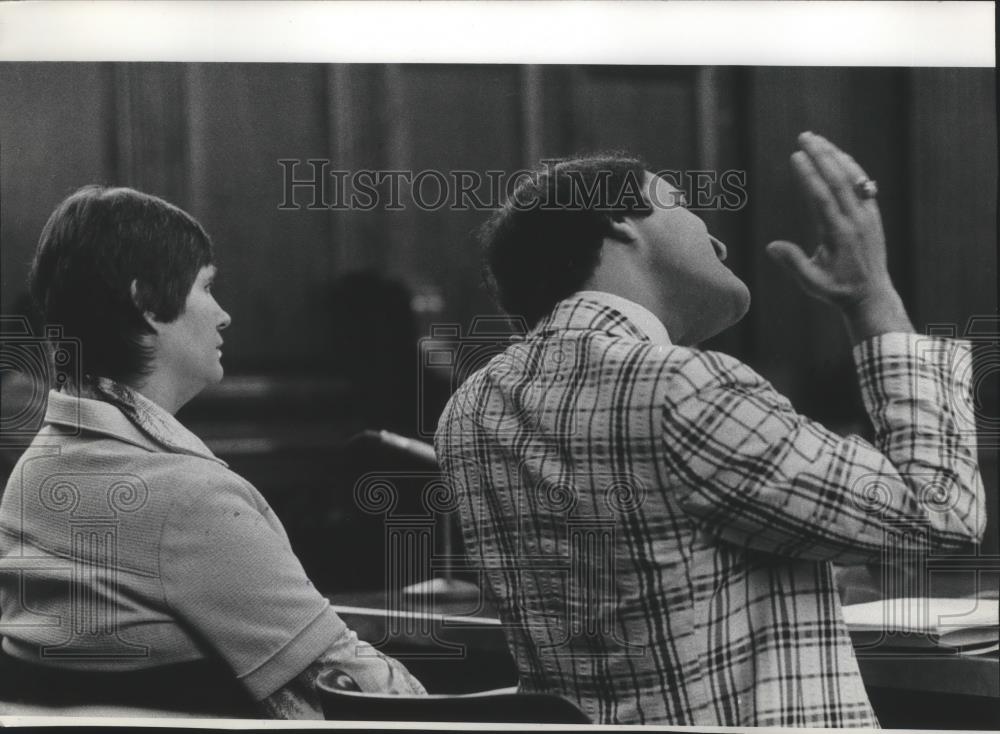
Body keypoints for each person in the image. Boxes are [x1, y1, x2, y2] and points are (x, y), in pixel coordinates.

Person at [434, 134, 985, 726]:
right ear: (620, 219)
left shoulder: (468, 409)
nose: (717, 239)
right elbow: (941, 511)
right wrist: (873, 295)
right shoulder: (681, 384)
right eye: (681, 203)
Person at [0, 186, 425, 718]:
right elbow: (366, 699)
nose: (223, 315)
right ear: (148, 302)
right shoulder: (187, 500)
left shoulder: (35, 470)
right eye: (207, 287)